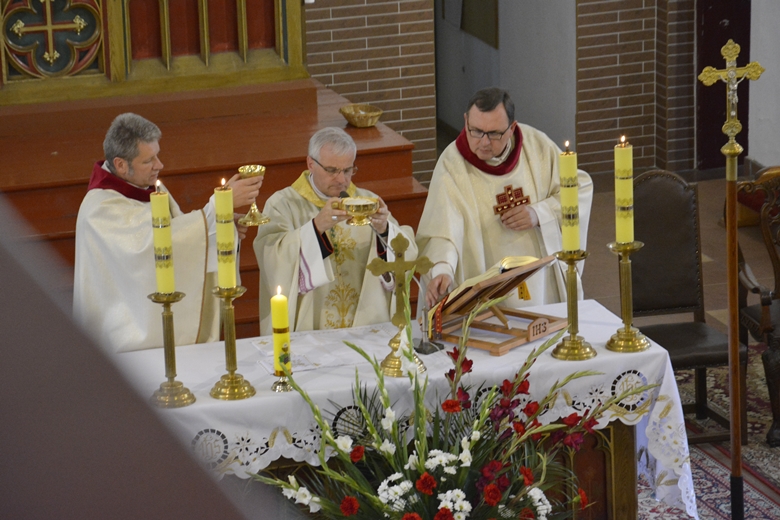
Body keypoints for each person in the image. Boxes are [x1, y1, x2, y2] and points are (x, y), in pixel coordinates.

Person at [73, 113, 262, 352]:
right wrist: (218, 206)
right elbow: (149, 250)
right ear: (121, 164)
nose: (159, 165)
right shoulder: (100, 209)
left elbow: (179, 235)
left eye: (157, 156)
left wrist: (220, 226)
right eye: (149, 160)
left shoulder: (144, 188)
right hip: (124, 348)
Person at [416, 87, 593, 309]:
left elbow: (579, 187)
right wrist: (443, 269)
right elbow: (442, 230)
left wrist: (538, 213)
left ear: (512, 128)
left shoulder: (537, 146)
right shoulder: (452, 165)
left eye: (494, 134)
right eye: (476, 131)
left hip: (538, 277)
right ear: (465, 121)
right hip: (485, 278)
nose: (484, 142)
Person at [253, 127, 417, 333]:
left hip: (363, 325)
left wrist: (384, 230)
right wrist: (316, 227)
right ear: (310, 164)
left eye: (348, 170)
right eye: (332, 170)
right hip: (311, 328)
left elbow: (406, 255)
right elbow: (271, 258)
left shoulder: (365, 202)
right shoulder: (283, 204)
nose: (341, 180)